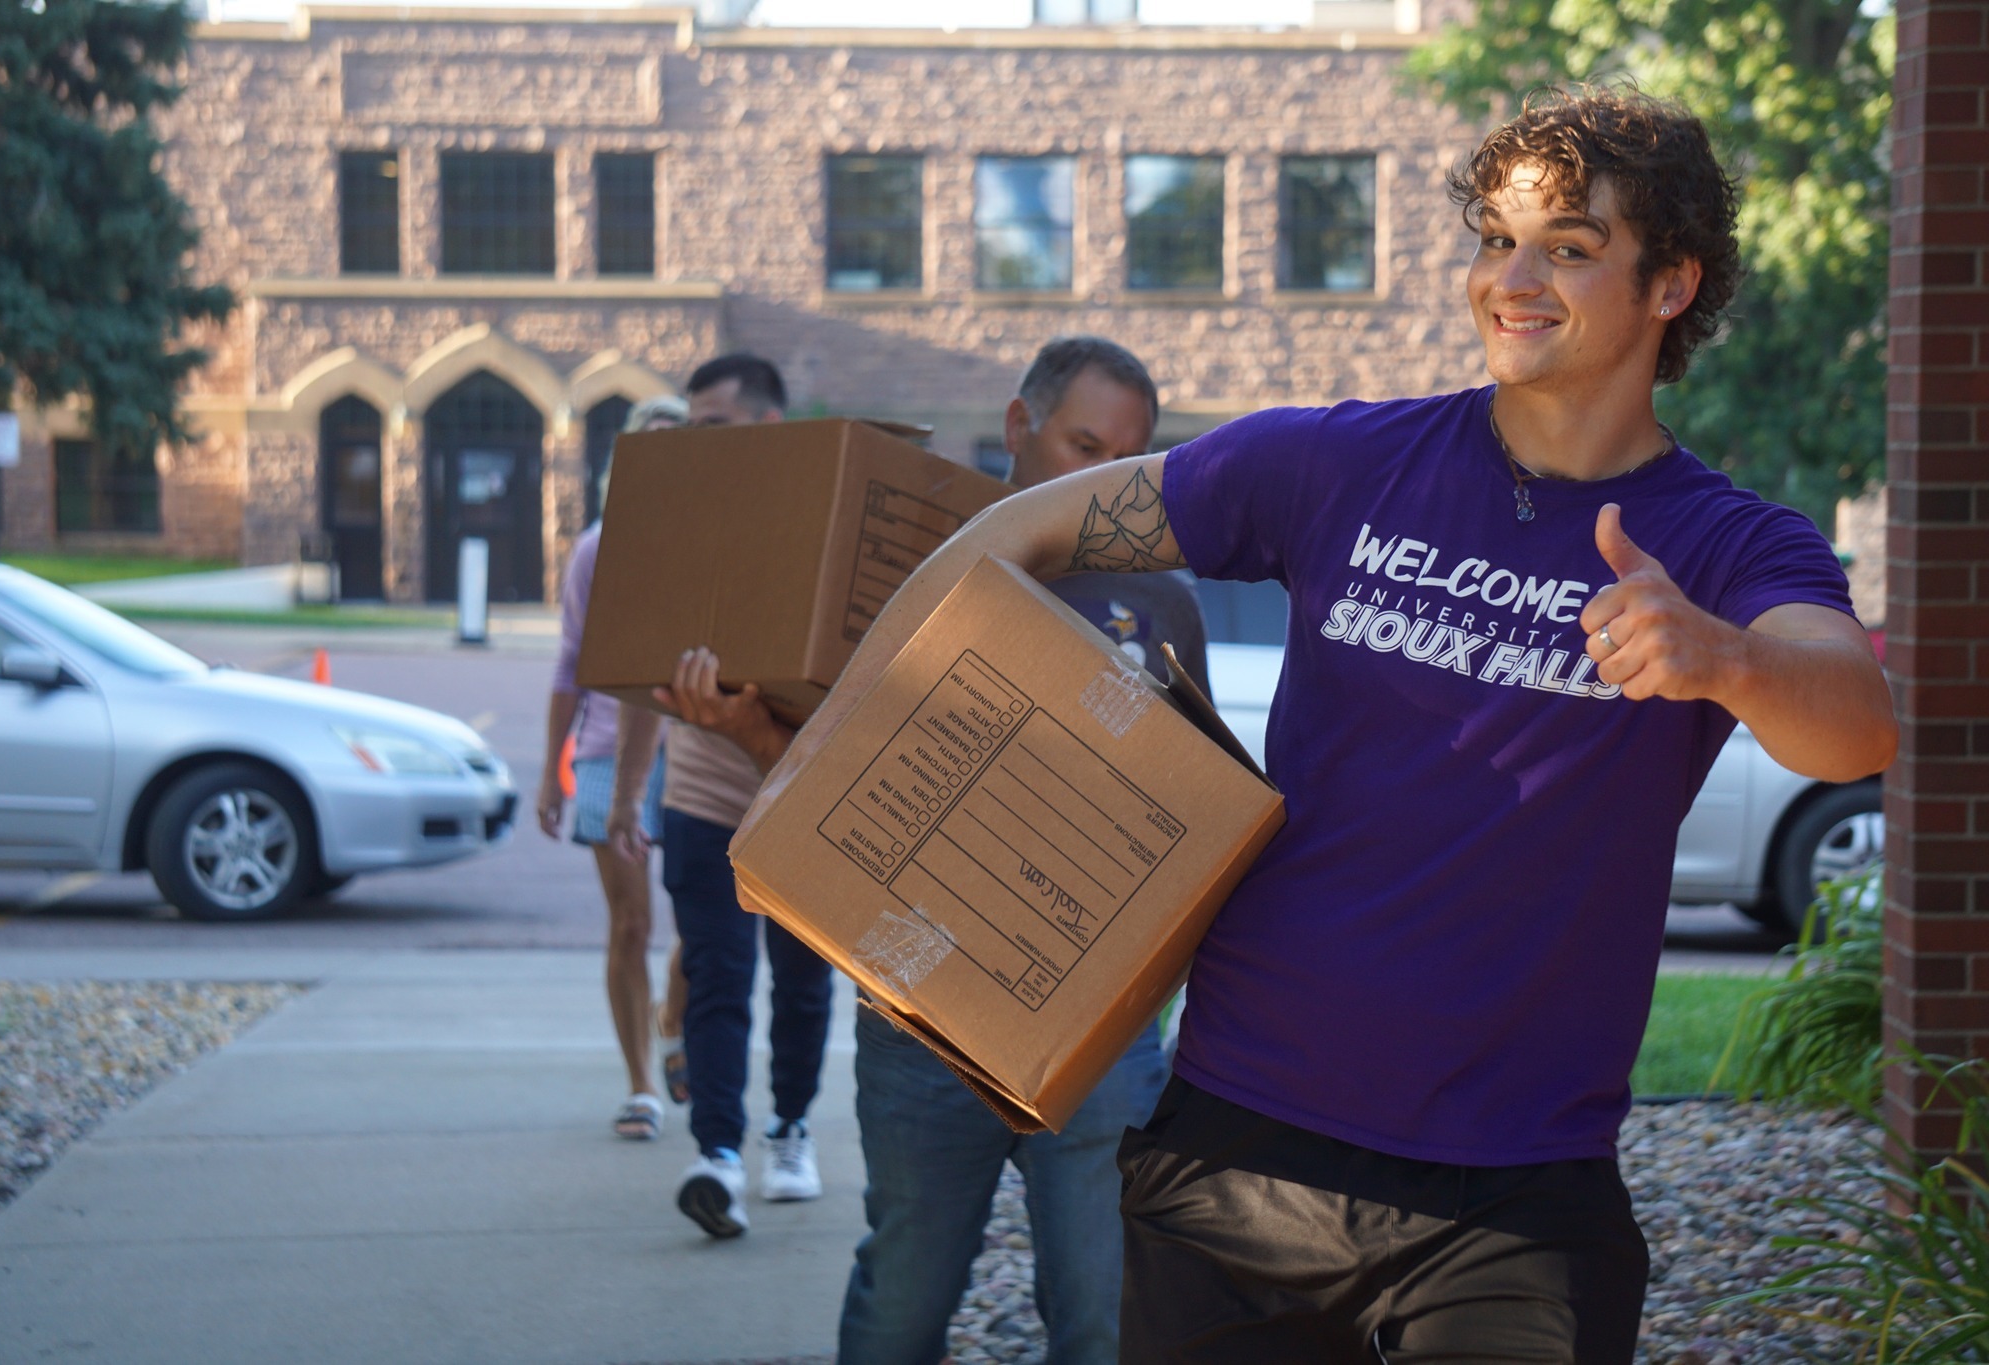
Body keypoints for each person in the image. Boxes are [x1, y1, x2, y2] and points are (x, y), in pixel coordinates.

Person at [750, 87, 1897, 1362]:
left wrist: (1723, 656)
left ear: (1669, 284)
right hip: (1238, 1154)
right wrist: (829, 769)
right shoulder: (1334, 465)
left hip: (1513, 1197)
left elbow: (1852, 729)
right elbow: (1012, 532)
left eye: (1567, 247)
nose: (1512, 279)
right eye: (1493, 239)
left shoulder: (1727, 544)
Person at [835, 337, 1204, 1365]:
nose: (1099, 481)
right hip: (919, 1010)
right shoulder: (910, 573)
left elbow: (1192, 818)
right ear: (1014, 426)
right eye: (1080, 443)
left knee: (1104, 1317)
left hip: (1096, 1029)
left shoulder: (1161, 607)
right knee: (901, 1307)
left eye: (1124, 462)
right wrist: (736, 727)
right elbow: (827, 784)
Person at [654, 353, 836, 1239]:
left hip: (801, 799)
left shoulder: (823, 525)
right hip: (700, 795)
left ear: (769, 430)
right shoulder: (679, 528)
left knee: (801, 988)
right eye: (689, 432)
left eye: (714, 429)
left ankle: (791, 1130)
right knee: (718, 984)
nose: (698, 449)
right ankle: (717, 1156)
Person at [536, 392, 689, 1140]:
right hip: (603, 750)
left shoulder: (712, 546)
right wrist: (547, 772)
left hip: (694, 752)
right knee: (630, 923)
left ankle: (675, 1016)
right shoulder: (599, 548)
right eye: (650, 446)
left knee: (704, 922)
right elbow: (570, 661)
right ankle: (640, 1086)